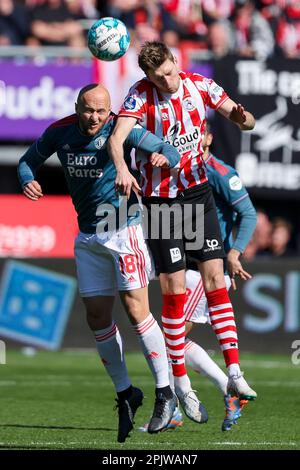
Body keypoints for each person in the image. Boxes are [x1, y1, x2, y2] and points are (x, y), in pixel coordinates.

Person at [17, 83, 181, 442]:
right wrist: (28, 180)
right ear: (77, 106)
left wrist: (163, 157)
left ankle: (166, 392)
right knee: (96, 317)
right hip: (88, 236)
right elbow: (27, 161)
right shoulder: (59, 131)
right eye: (88, 110)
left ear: (110, 111)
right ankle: (126, 393)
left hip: (123, 228)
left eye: (102, 111)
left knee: (137, 310)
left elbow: (170, 150)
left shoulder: (121, 128)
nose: (95, 117)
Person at [108, 41, 257, 419]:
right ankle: (181, 386)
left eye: (170, 72)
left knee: (215, 279)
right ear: (148, 77)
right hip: (160, 202)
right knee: (173, 292)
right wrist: (124, 168)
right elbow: (116, 137)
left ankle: (235, 372)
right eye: (159, 78)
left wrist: (242, 118)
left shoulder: (200, 86)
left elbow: (246, 120)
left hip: (196, 194)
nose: (168, 81)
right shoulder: (139, 95)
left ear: (177, 62)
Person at [139, 124, 257, 433]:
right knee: (169, 339)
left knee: (168, 339)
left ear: (206, 137)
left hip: (201, 265)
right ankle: (219, 390)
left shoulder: (216, 170)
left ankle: (207, 395)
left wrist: (234, 253)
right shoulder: (176, 170)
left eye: (197, 132)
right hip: (188, 258)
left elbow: (248, 213)